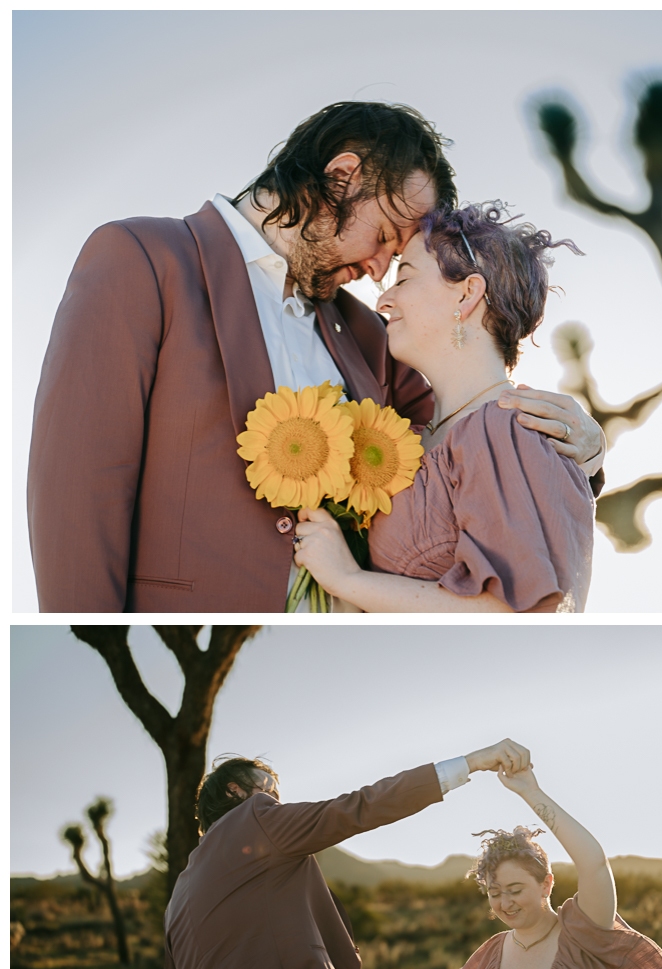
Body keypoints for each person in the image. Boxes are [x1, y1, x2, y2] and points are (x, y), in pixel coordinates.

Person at [27, 102, 605, 613]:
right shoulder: (145, 260)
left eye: (399, 256)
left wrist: (585, 449)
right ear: (341, 176)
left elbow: (465, 447)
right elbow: (80, 495)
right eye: (383, 236)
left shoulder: (367, 336)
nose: (381, 271)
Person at [293, 202, 596, 612]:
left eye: (405, 277)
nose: (385, 300)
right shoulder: (411, 440)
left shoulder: (503, 431)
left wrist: (348, 579)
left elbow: (522, 616)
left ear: (468, 293)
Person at [163, 739, 531, 969]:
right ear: (237, 791)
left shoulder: (180, 892)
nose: (278, 803)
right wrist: (471, 762)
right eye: (271, 792)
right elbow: (358, 807)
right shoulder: (256, 818)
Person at [422, 764, 662, 969]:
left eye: (515, 889)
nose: (505, 903)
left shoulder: (583, 932)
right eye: (495, 892)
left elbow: (593, 862)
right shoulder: (489, 957)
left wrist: (530, 791)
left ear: (546, 883)